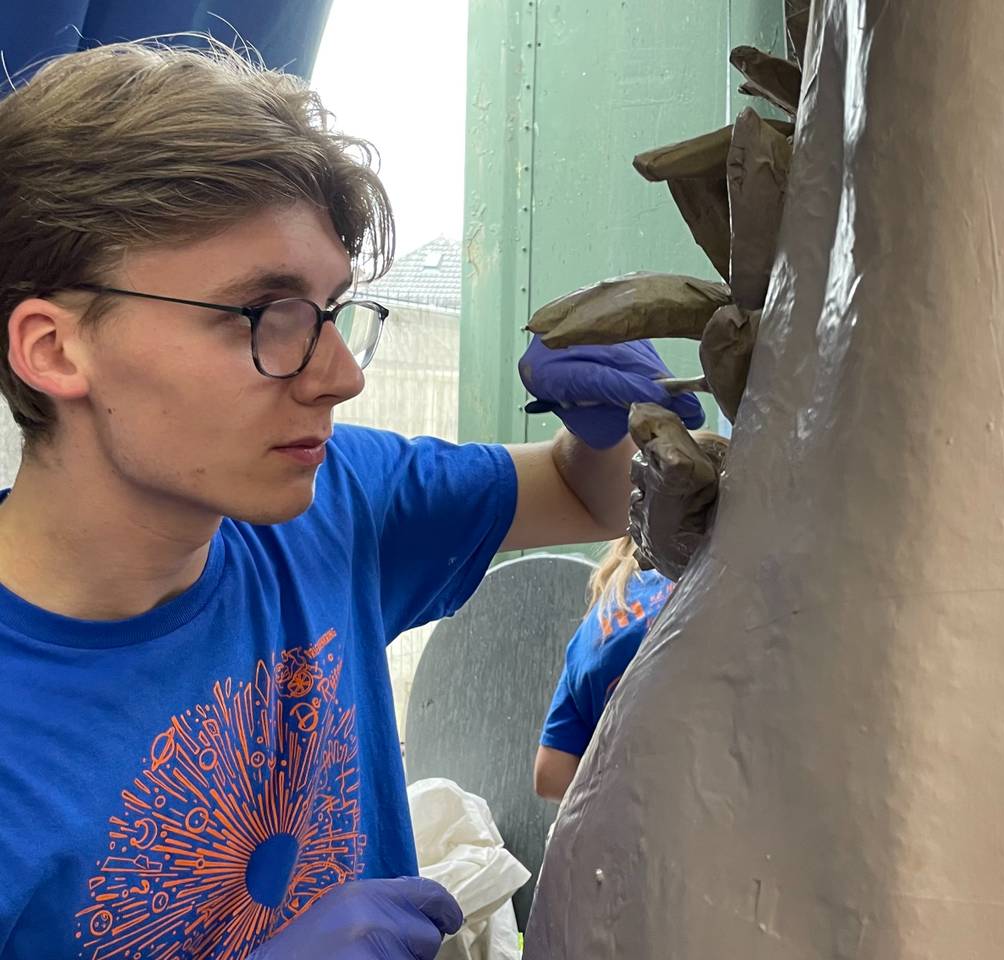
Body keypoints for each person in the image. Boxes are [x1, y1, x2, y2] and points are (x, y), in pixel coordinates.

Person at [0, 40, 705, 960]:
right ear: (54, 349)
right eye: (264, 315)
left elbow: (583, 495)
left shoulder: (332, 505)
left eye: (331, 312)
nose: (340, 376)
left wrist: (606, 425)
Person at [535, 427, 724, 803]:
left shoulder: (603, 613)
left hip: (606, 821)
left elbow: (550, 774)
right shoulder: (725, 596)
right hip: (694, 815)